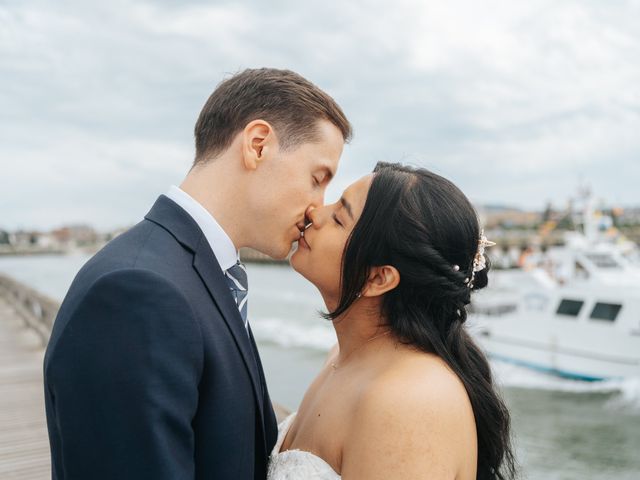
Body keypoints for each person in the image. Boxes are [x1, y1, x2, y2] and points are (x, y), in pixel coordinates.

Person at [43, 68, 352, 480]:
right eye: (317, 179)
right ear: (257, 145)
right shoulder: (138, 292)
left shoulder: (198, 273)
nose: (317, 207)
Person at [269, 162, 517, 479]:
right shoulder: (344, 357)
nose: (315, 213)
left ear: (379, 278)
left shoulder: (409, 401)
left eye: (338, 218)